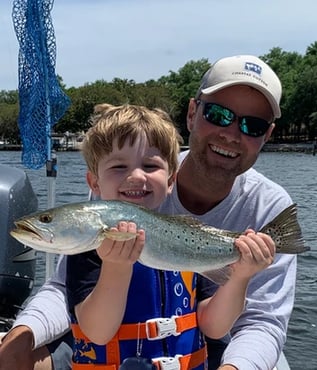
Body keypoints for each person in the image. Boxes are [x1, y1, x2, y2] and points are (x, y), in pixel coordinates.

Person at [0, 54, 296, 370]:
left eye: (253, 125)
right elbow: (72, 298)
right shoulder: (111, 197)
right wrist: (23, 334)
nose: (232, 133)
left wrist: (239, 278)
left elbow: (252, 321)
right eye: (219, 114)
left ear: (267, 134)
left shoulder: (268, 205)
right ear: (193, 113)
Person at [64, 103, 274, 369]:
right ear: (94, 183)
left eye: (150, 166)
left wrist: (241, 276)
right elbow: (98, 332)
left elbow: (214, 326)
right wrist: (115, 267)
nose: (136, 176)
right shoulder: (91, 245)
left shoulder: (189, 237)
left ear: (171, 179)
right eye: (119, 167)